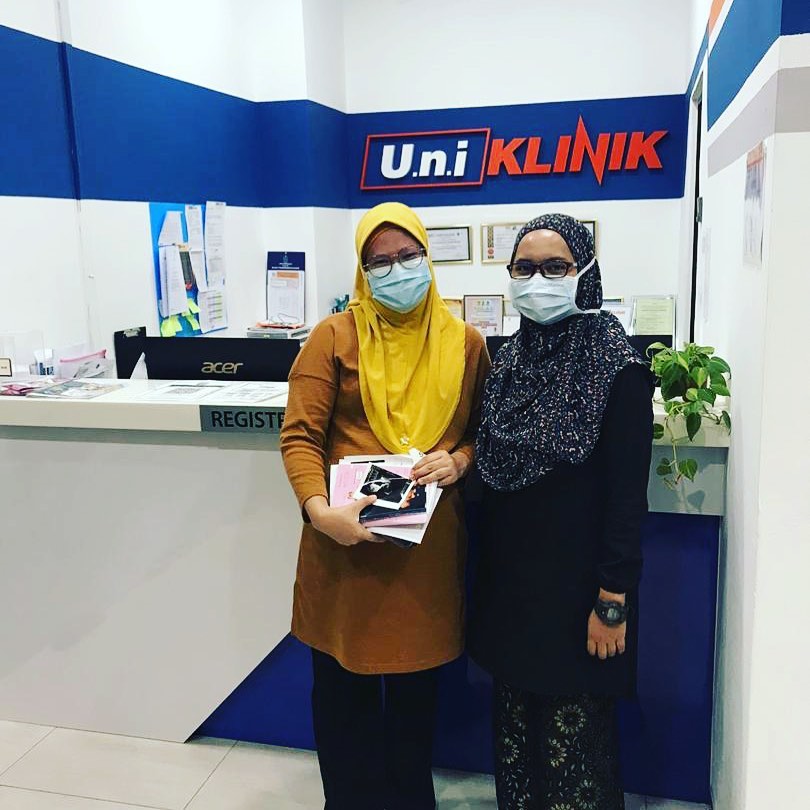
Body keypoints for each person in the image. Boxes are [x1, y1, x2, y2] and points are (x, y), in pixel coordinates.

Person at [280, 201, 490, 810]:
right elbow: (300, 435)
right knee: (342, 703)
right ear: (362, 270)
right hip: (344, 550)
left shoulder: (466, 343)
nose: (398, 270)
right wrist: (320, 512)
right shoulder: (333, 337)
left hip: (422, 558)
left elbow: (483, 433)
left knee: (413, 708)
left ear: (427, 257)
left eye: (408, 256)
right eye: (380, 262)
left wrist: (459, 461)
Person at [468, 214, 653, 810]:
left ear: (585, 273)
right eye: (524, 269)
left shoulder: (616, 367)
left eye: (556, 268)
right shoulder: (508, 360)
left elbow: (626, 501)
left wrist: (612, 602)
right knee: (517, 747)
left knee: (575, 758)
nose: (537, 281)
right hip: (511, 596)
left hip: (579, 601)